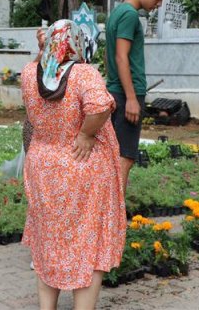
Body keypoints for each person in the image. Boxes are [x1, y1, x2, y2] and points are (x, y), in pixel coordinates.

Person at [21, 20, 125, 310]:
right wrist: (86, 134)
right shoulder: (84, 74)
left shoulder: (30, 73)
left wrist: (44, 51)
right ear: (77, 43)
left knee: (48, 242)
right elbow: (100, 106)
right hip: (81, 167)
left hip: (43, 167)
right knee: (88, 244)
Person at [105, 0, 172, 194]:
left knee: (115, 158)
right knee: (124, 158)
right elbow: (120, 56)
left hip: (117, 91)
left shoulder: (118, 12)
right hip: (126, 95)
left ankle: (108, 212)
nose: (158, 4)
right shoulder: (130, 15)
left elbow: (110, 56)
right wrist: (132, 98)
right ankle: (116, 214)